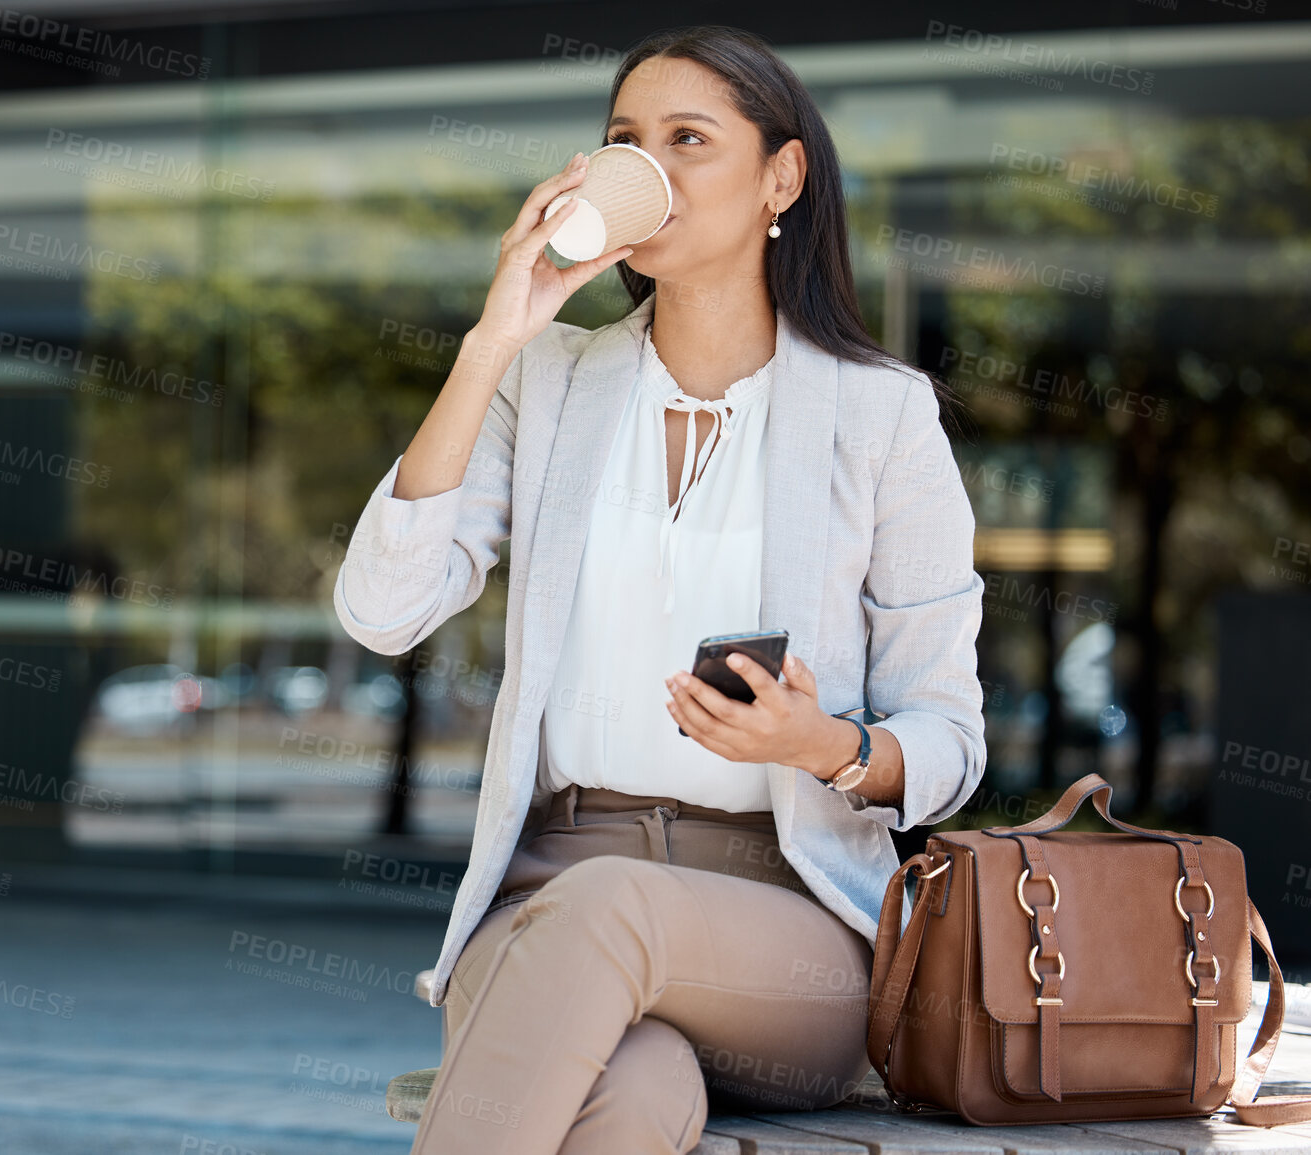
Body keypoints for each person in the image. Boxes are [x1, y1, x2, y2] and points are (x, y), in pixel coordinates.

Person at [333, 24, 985, 1155]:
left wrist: (820, 743)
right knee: (630, 1103)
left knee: (605, 917)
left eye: (690, 139)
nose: (649, 168)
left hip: (790, 933)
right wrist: (495, 337)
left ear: (781, 177)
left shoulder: (881, 417)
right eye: (624, 142)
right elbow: (381, 610)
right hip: (548, 888)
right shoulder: (550, 381)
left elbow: (950, 744)